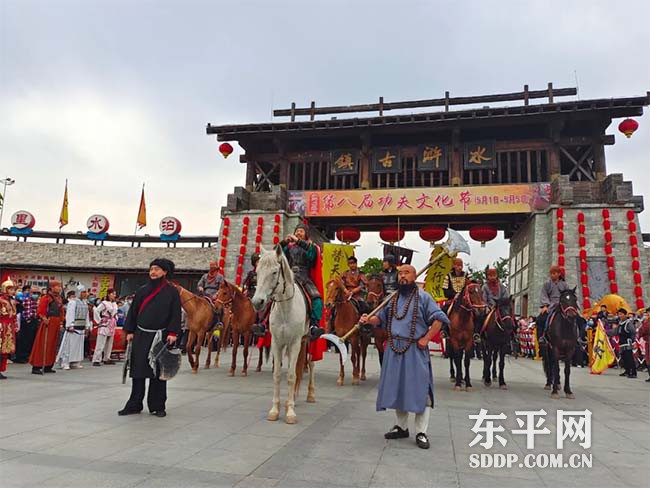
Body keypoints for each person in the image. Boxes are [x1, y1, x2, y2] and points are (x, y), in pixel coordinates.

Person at [359, 265, 449, 449]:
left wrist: (426, 338)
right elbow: (380, 318)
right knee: (398, 388)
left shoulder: (424, 297)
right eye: (400, 273)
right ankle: (401, 427)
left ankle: (421, 432)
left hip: (415, 349)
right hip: (394, 348)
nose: (402, 276)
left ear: (415, 276)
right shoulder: (391, 299)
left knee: (420, 389)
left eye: (406, 273)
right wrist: (368, 319)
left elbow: (439, 318)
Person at [119, 258, 181, 417]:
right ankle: (134, 404)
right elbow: (133, 312)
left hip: (161, 336)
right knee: (137, 371)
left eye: (157, 269)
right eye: (151, 269)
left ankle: (157, 406)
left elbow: (175, 314)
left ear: (165, 272)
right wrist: (130, 331)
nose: (153, 272)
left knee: (158, 373)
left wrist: (173, 333)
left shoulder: (172, 292)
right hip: (140, 334)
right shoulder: (142, 290)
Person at [280, 223, 323, 339]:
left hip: (304, 277)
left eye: (301, 231)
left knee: (317, 299)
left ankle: (314, 325)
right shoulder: (288, 247)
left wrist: (298, 242)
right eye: (297, 231)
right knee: (273, 295)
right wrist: (284, 242)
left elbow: (312, 256)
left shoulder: (311, 246)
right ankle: (264, 323)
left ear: (305, 234)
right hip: (289, 277)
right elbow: (277, 252)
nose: (298, 233)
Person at [30, 280, 65, 375]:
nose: (59, 288)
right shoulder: (45, 298)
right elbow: (40, 310)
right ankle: (37, 366)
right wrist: (43, 318)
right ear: (51, 288)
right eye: (57, 286)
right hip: (48, 322)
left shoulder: (59, 298)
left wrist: (61, 321)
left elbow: (61, 311)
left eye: (59, 286)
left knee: (53, 344)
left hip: (56, 322)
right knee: (43, 343)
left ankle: (48, 365)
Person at [57, 285, 91, 370]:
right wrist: (70, 325)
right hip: (74, 327)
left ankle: (75, 361)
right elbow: (70, 314)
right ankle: (65, 362)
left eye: (85, 292)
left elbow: (86, 315)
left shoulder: (85, 303)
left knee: (78, 347)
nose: (85, 294)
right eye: (83, 292)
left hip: (81, 327)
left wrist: (87, 326)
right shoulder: (73, 302)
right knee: (69, 345)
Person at [477, 268, 510, 343]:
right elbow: (483, 299)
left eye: (494, 275)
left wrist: (502, 305)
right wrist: (487, 306)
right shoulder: (485, 287)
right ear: (487, 277)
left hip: (500, 307)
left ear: (497, 276)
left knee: (509, 317)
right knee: (480, 316)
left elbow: (505, 297)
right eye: (490, 276)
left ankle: (513, 334)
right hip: (489, 307)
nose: (492, 277)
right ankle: (479, 334)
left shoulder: (501, 286)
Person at [538, 265, 571, 337]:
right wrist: (545, 306)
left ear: (559, 274)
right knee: (540, 319)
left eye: (554, 273)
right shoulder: (547, 284)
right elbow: (544, 295)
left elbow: (568, 296)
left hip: (563, 305)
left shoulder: (564, 284)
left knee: (577, 318)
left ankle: (578, 338)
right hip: (551, 305)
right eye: (551, 273)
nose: (552, 275)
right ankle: (541, 337)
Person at [440, 258, 469, 339]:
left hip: (465, 299)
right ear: (454, 266)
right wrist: (454, 295)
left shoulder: (466, 275)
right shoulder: (448, 276)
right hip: (453, 299)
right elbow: (445, 291)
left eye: (461, 265)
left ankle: (477, 331)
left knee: (476, 311)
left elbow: (471, 286)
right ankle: (444, 329)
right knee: (443, 310)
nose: (460, 267)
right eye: (458, 265)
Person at [92, 288, 119, 366]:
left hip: (112, 323)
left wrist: (116, 317)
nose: (114, 295)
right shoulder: (104, 303)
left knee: (109, 342)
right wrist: (99, 320)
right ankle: (96, 359)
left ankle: (107, 358)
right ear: (108, 294)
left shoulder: (114, 304)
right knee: (101, 342)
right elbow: (96, 310)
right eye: (112, 294)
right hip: (105, 323)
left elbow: (115, 313)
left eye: (115, 294)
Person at [14, 286, 40, 363]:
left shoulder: (37, 301)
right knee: (25, 340)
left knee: (32, 340)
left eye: (37, 293)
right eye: (34, 293)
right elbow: (25, 312)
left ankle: (29, 356)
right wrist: (27, 319)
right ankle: (22, 357)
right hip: (27, 321)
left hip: (34, 321)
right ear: (30, 292)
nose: (36, 295)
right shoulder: (26, 300)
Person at [0, 280, 19, 380]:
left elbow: (14, 315)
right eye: (10, 289)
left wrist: (15, 325)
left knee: (5, 350)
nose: (12, 291)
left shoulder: (12, 301)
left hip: (9, 326)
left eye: (13, 289)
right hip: (1, 326)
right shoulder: (1, 300)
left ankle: (1, 369)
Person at [611, 308, 637, 378]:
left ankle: (633, 372)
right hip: (622, 343)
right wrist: (606, 332)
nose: (619, 316)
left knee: (629, 358)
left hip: (627, 343)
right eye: (618, 314)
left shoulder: (628, 323)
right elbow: (616, 331)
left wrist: (633, 341)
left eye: (621, 314)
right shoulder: (620, 323)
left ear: (625, 315)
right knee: (624, 358)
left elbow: (633, 332)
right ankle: (627, 371)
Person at [637, 310, 650, 382]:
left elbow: (644, 330)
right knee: (648, 359)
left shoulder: (647, 323)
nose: (647, 315)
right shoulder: (646, 322)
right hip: (647, 342)